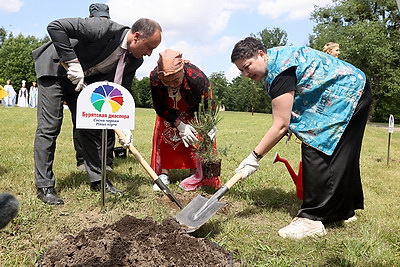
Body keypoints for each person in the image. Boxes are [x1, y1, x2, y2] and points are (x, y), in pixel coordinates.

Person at [231, 37, 372, 239]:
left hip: (348, 92)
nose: (246, 74)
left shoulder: (280, 70)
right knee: (342, 154)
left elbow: (280, 125)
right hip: (356, 87)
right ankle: (344, 211)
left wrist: (254, 157)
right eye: (241, 71)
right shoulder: (277, 60)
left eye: (247, 66)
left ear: (261, 54)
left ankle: (312, 219)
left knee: (315, 144)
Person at [32, 17, 162, 205]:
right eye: (149, 47)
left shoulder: (135, 61)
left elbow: (120, 91)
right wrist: (72, 61)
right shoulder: (104, 29)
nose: (149, 54)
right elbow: (55, 26)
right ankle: (45, 186)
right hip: (56, 70)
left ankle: (98, 180)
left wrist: (123, 125)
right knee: (50, 127)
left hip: (83, 82)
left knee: (91, 128)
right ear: (136, 36)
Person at [149, 49, 218, 191]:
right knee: (166, 136)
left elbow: (207, 104)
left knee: (195, 138)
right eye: (166, 81)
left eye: (175, 80)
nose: (172, 84)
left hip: (193, 110)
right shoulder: (155, 77)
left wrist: (209, 124)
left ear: (182, 71)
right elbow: (159, 106)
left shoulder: (197, 77)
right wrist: (179, 125)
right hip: (168, 111)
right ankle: (163, 173)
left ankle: (194, 172)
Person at [74, 2, 117, 172]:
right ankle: (83, 159)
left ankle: (105, 160)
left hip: (104, 81)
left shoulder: (113, 33)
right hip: (83, 79)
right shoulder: (83, 31)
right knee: (83, 120)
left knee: (108, 120)